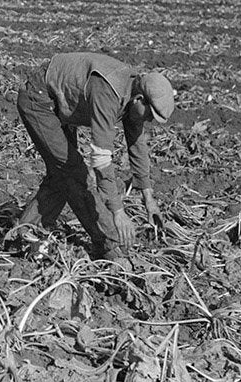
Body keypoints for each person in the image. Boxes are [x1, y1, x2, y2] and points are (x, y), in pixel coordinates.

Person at [16, 52, 175, 257]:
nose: (150, 121)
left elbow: (137, 146)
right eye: (150, 115)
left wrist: (149, 198)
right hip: (38, 100)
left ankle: (23, 234)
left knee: (62, 176)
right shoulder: (108, 92)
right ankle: (108, 244)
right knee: (73, 172)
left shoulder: (133, 96)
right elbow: (100, 159)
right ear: (139, 100)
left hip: (59, 105)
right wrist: (117, 212)